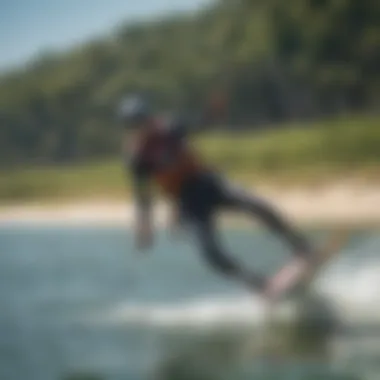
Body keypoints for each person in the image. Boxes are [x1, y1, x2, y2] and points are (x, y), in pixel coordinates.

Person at [118, 95, 314, 294]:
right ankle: (258, 284)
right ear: (129, 127)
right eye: (135, 123)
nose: (142, 126)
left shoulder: (169, 128)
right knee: (209, 252)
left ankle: (301, 247)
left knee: (256, 205)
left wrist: (213, 112)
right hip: (186, 202)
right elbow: (143, 195)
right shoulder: (138, 156)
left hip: (208, 183)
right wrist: (146, 227)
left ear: (148, 116)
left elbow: (201, 124)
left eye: (143, 119)